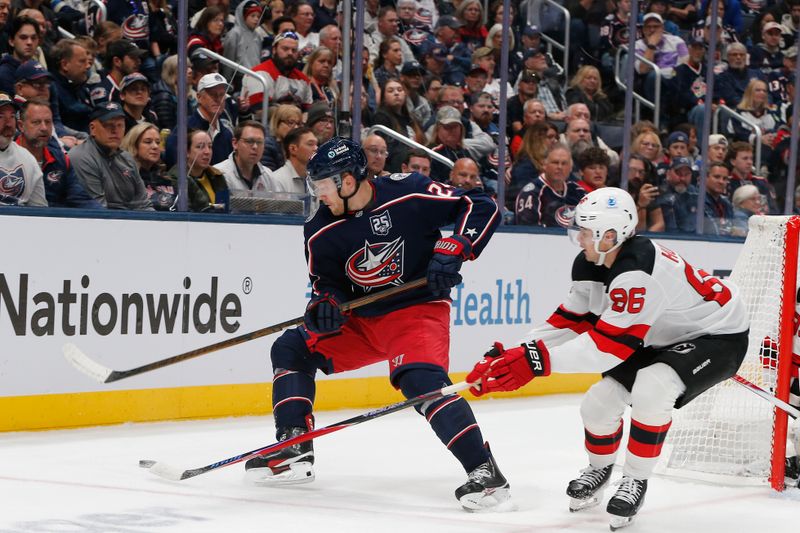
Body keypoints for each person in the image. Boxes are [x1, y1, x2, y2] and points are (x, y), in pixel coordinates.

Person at [244, 136, 510, 512]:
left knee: (421, 382)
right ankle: (293, 445)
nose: (318, 195)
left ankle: (484, 471)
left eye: (322, 186)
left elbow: (479, 205)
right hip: (363, 320)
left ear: (348, 181)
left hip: (415, 310)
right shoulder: (319, 229)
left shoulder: (410, 192)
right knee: (291, 347)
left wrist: (457, 246)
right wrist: (326, 305)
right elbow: (327, 285)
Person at [466, 186, 749, 529]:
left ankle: (635, 480)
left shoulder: (637, 271)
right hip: (661, 335)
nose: (578, 238)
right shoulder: (594, 260)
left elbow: (606, 349)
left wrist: (535, 362)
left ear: (611, 234)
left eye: (584, 231)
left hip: (717, 337)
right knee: (597, 406)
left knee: (652, 388)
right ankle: (600, 469)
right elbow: (570, 319)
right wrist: (515, 352)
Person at [15, 99, 100, 209]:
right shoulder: (7, 156)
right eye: (36, 122)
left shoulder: (61, 158)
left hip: (54, 220)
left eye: (48, 122)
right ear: (21, 126)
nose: (44, 128)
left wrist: (109, 218)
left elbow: (80, 198)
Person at [70, 101, 152, 210]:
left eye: (120, 125)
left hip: (128, 222)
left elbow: (143, 205)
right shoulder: (81, 157)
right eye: (108, 125)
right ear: (92, 128)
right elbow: (97, 210)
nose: (115, 131)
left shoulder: (127, 159)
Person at [515, 143, 585, 226]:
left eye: (564, 163)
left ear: (570, 168)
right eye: (555, 162)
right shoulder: (531, 193)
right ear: (544, 165)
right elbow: (528, 232)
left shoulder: (578, 191)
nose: (560, 167)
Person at [167, 128, 229, 212]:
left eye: (210, 147)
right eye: (200, 147)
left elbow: (227, 208)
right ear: (187, 152)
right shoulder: (177, 177)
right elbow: (185, 213)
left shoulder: (217, 176)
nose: (207, 152)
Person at [0, 93, 45, 206]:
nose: (8, 123)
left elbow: (40, 210)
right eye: (0, 116)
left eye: (12, 116)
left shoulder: (27, 158)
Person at [120, 122, 175, 211]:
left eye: (158, 142)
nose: (155, 146)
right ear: (134, 146)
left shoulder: (166, 179)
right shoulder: (125, 178)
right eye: (148, 142)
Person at [214, 120, 277, 193]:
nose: (255, 147)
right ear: (235, 143)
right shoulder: (219, 174)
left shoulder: (268, 175)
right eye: (249, 141)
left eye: (259, 142)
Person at [658, 156, 698, 233]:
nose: (682, 178)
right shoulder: (660, 195)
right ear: (668, 174)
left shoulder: (696, 194)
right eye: (678, 173)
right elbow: (671, 229)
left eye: (687, 174)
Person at [272, 126, 316, 194]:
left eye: (316, 144)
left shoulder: (314, 179)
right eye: (310, 144)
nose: (316, 148)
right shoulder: (277, 180)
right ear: (293, 149)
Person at [263, 103, 302, 171]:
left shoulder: (296, 145)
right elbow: (270, 177)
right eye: (291, 122)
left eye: (298, 124)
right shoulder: (267, 145)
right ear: (277, 123)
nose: (296, 127)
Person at [703, 161, 734, 236]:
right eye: (717, 177)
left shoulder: (726, 203)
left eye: (725, 179)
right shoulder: (697, 200)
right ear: (706, 178)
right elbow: (711, 229)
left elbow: (732, 226)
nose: (721, 182)